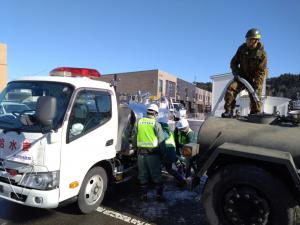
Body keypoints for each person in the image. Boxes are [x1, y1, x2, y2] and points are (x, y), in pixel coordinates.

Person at [222, 28, 268, 118]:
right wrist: (236, 73)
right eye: (246, 39)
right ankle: (229, 111)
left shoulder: (262, 54)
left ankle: (254, 114)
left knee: (255, 97)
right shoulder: (242, 49)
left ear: (256, 40)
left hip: (255, 79)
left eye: (250, 39)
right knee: (231, 89)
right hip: (242, 76)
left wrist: (257, 84)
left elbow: (261, 71)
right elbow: (233, 62)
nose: (247, 41)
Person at [134, 103, 165, 201]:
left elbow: (134, 137)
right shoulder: (156, 124)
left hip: (140, 155)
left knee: (142, 175)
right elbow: (161, 141)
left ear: (147, 112)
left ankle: (144, 196)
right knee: (156, 176)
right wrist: (163, 154)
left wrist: (136, 148)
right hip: (153, 155)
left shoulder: (138, 122)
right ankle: (159, 196)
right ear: (155, 114)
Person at [158, 117, 187, 188]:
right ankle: (182, 180)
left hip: (166, 153)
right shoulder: (169, 131)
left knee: (157, 167)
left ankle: (158, 185)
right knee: (169, 169)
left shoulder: (163, 131)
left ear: (160, 124)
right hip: (171, 153)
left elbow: (161, 141)